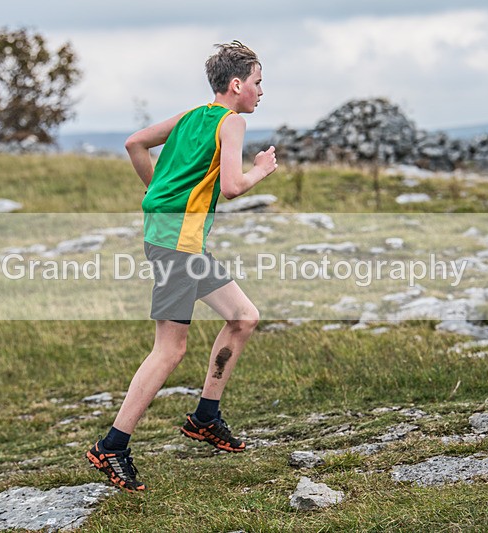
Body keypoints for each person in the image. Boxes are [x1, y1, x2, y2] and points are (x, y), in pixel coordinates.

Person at [86, 41, 278, 492]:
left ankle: (205, 417)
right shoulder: (231, 123)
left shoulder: (192, 116)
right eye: (257, 82)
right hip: (178, 248)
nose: (260, 92)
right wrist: (262, 171)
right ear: (237, 85)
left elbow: (135, 144)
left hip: (178, 242)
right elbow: (231, 187)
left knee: (243, 317)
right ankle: (111, 446)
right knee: (169, 350)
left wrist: (160, 195)